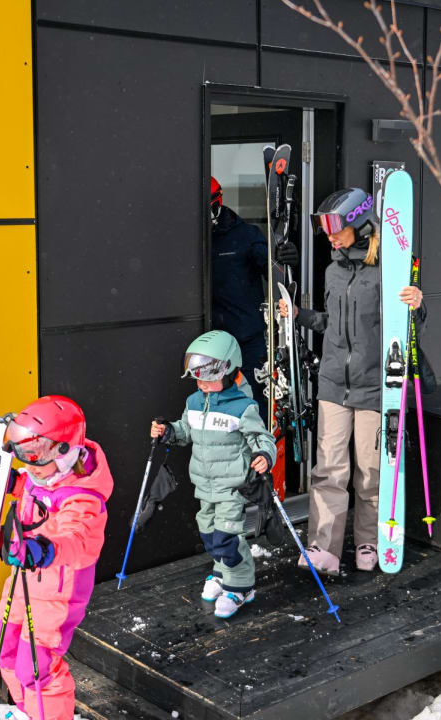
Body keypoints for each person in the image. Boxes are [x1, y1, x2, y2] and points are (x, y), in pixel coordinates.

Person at [279, 188, 424, 574]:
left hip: (375, 387)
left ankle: (369, 541)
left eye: (335, 227)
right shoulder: (334, 268)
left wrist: (416, 304)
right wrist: (298, 314)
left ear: (359, 223)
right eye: (324, 227)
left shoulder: (390, 268)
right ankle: (322, 547)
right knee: (328, 470)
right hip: (332, 386)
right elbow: (330, 324)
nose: (329, 235)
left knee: (371, 471)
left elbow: (406, 328)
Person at [0, 396, 113, 720]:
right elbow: (31, 487)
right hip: (23, 580)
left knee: (35, 666)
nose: (29, 465)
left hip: (59, 590)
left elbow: (78, 540)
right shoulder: (43, 476)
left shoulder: (83, 497)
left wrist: (46, 548)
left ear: (65, 453)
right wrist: (8, 483)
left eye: (36, 457)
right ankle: (32, 712)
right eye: (24, 456)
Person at [150, 329, 276, 618]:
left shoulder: (242, 407)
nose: (202, 384)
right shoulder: (194, 402)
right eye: (198, 377)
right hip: (203, 484)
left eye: (209, 377)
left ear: (230, 371)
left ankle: (241, 586)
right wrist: (168, 431)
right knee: (208, 533)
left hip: (232, 486)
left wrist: (263, 455)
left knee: (226, 537)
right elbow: (185, 431)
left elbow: (262, 438)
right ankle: (222, 571)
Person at [210, 176, 298, 419]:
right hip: (208, 342)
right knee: (216, 409)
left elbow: (272, 270)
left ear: (219, 203)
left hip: (246, 339)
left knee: (251, 404)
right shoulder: (187, 238)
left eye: (211, 211)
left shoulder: (245, 235)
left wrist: (284, 259)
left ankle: (258, 453)